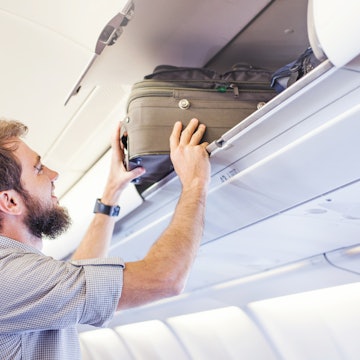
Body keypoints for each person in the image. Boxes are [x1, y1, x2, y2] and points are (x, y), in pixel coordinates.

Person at [0, 117, 210, 360]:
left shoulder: (15, 273)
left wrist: (112, 193)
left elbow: (77, 276)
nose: (53, 174)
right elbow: (164, 279)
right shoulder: (10, 276)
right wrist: (196, 183)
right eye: (38, 169)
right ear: (10, 201)